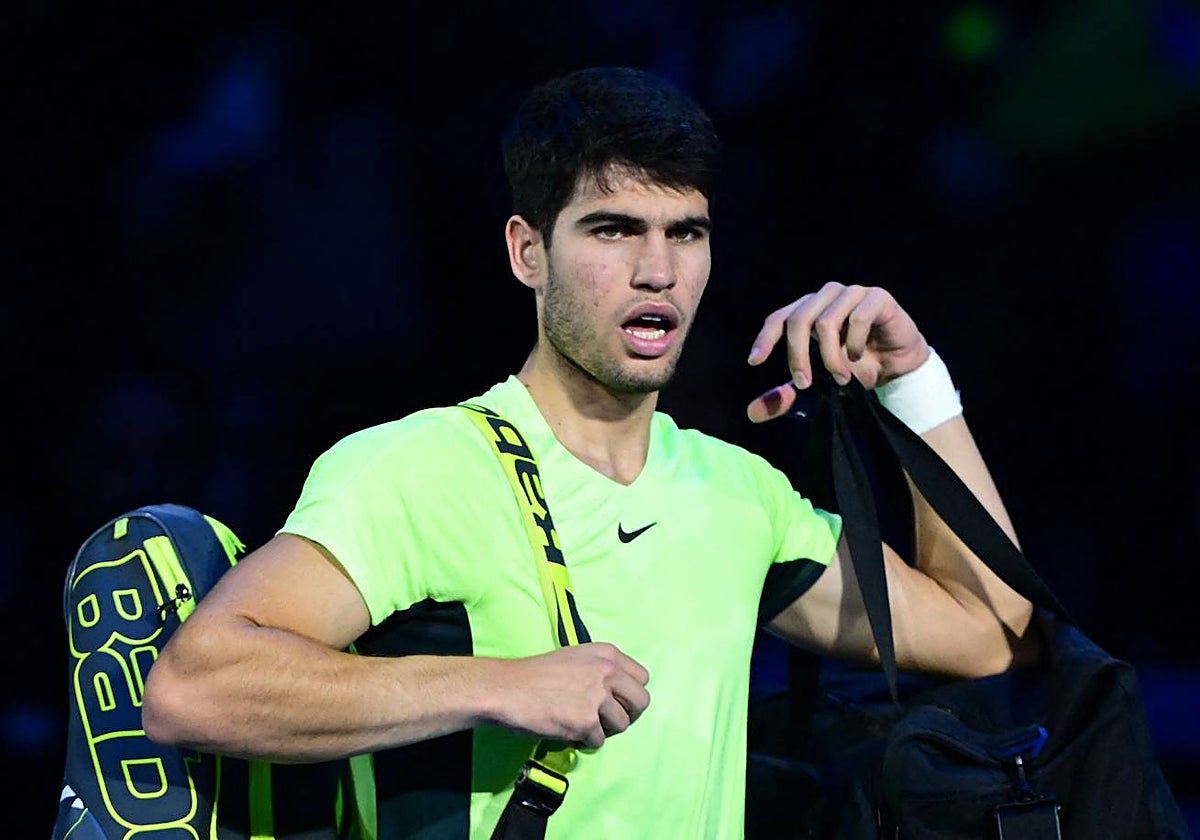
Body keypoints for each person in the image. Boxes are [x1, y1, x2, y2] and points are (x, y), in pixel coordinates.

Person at [142, 65, 1037, 839]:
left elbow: (989, 632)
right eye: (613, 230)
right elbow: (195, 688)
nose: (659, 270)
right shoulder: (422, 465)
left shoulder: (738, 495)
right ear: (528, 251)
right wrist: (496, 686)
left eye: (685, 232)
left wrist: (913, 382)